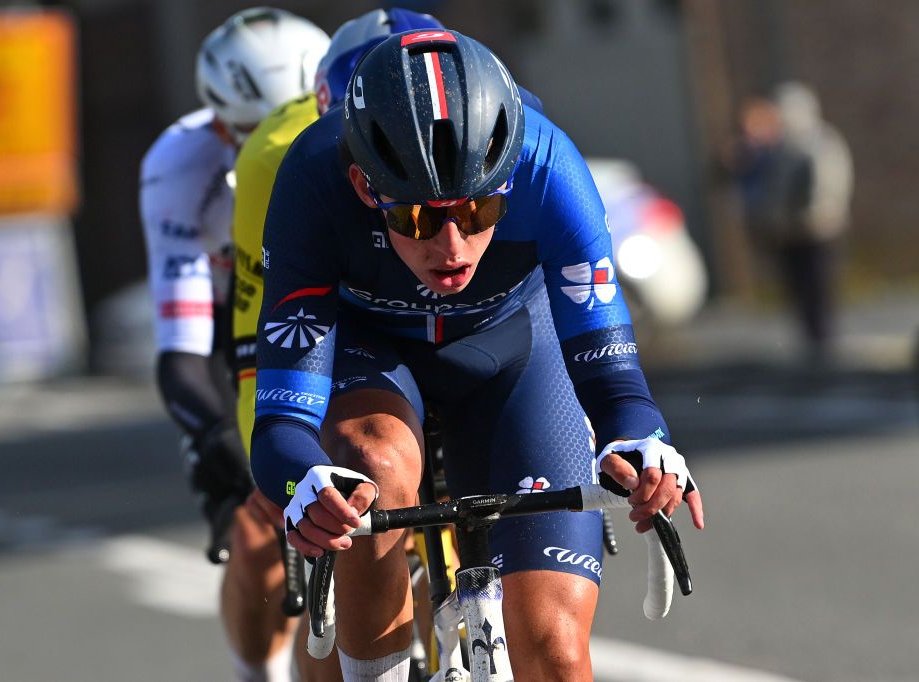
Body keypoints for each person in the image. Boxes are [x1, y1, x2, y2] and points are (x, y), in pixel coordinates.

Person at [249, 30, 704, 682]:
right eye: (416, 221)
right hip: (370, 349)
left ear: (509, 179)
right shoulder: (312, 184)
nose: (453, 246)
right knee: (370, 466)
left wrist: (638, 439)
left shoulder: (550, 166)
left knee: (552, 649)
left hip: (514, 341)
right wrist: (307, 482)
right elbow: (281, 425)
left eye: (479, 207)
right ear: (363, 185)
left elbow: (614, 380)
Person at [230, 9, 447, 679]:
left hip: (457, 336)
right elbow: (260, 341)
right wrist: (280, 466)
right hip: (341, 335)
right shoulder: (282, 157)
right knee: (293, 527)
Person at [139, 8, 329, 681]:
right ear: (219, 123)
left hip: (332, 316)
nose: (279, 144)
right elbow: (185, 349)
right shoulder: (181, 168)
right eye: (252, 131)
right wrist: (225, 444)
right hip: (236, 331)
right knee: (259, 541)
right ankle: (261, 671)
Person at [730, 82, 854, 363]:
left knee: (818, 290)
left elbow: (824, 185)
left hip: (818, 230)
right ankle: (811, 345)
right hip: (789, 233)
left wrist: (809, 214)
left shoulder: (820, 142)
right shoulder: (779, 149)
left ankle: (825, 348)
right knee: (798, 291)